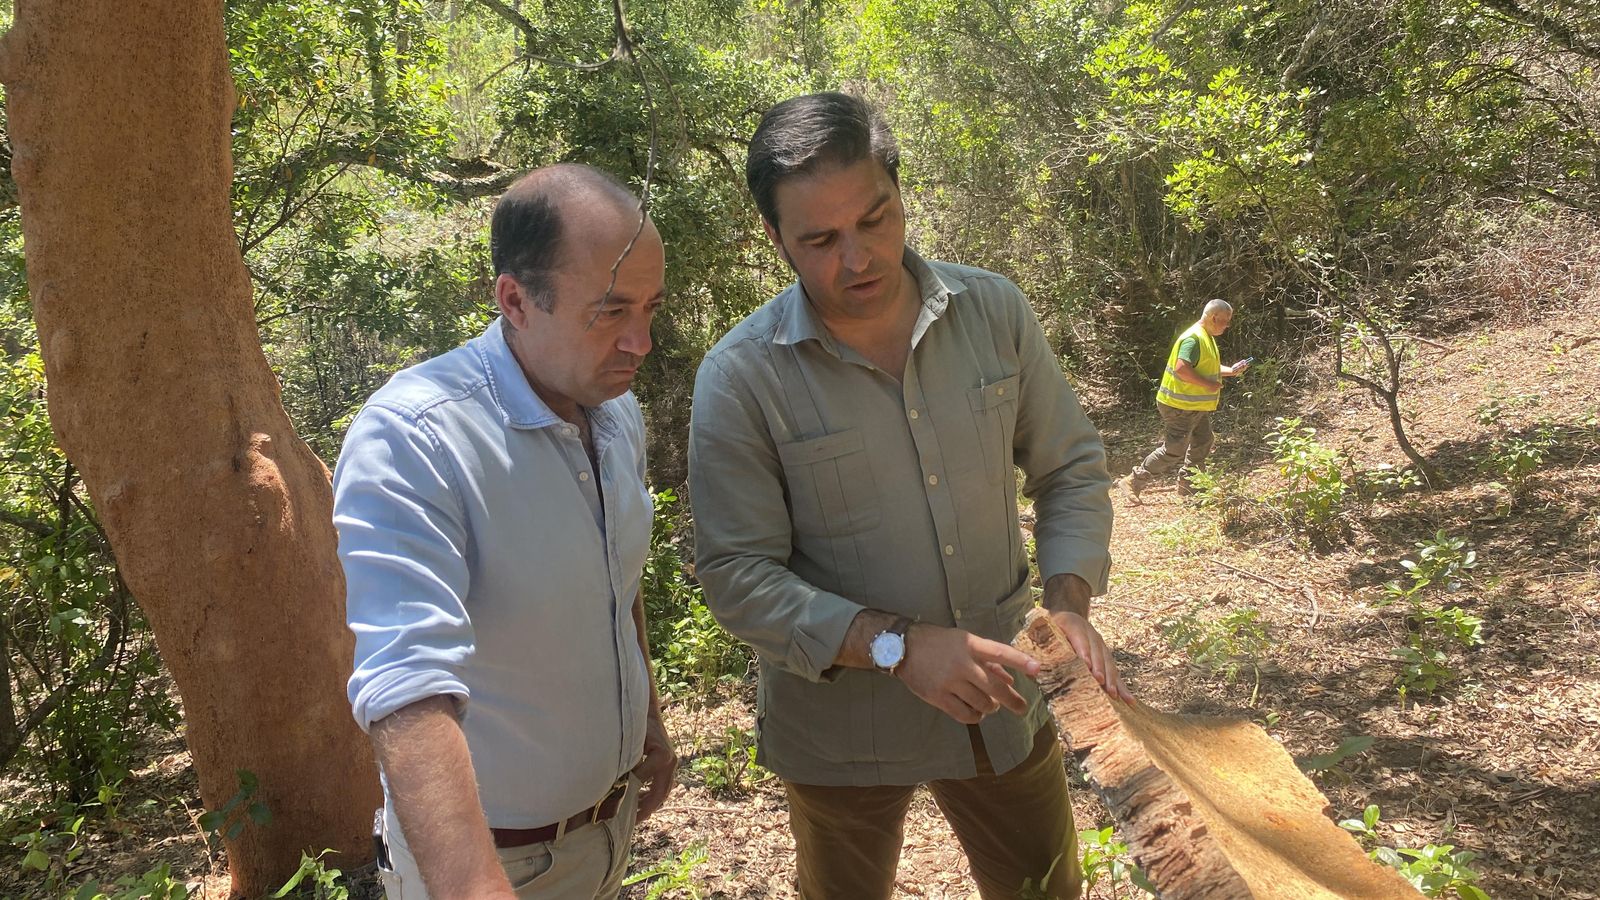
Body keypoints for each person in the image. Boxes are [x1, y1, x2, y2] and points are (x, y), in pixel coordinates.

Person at [688, 92, 1132, 900]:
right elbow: (737, 575)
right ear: (774, 239)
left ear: (900, 193)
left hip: (1006, 701)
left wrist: (1069, 606)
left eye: (876, 218)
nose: (857, 258)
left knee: (1045, 890)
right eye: (819, 240)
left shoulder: (993, 311)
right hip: (836, 740)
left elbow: (1069, 468)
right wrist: (897, 646)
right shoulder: (741, 376)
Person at [333, 164, 677, 900]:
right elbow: (406, 687)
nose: (641, 342)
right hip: (494, 867)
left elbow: (617, 578)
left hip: (607, 832)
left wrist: (646, 723)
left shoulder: (615, 413)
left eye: (651, 307)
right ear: (515, 301)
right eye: (611, 311)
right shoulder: (415, 438)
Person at [1123, 299, 1250, 501]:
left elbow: (1202, 367)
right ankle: (1134, 480)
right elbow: (1182, 369)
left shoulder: (1205, 337)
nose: (1227, 326)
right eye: (1225, 321)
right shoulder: (1193, 338)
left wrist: (1231, 371)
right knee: (1174, 449)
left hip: (1192, 405)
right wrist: (1208, 385)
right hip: (1179, 406)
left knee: (1204, 440)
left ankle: (1190, 486)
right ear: (1213, 317)